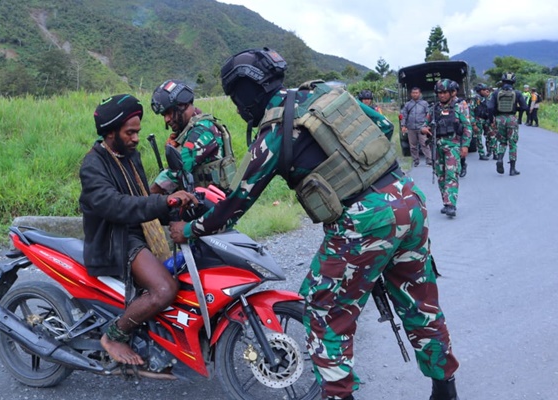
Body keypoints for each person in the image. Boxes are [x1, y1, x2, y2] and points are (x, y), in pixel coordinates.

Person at [169, 47, 460, 400]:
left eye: (235, 97)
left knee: (322, 311)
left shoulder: (275, 130)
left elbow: (237, 200)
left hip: (363, 220)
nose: (236, 105)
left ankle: (339, 395)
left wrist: (191, 229)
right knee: (419, 303)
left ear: (247, 91)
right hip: (407, 200)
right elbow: (382, 127)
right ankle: (445, 391)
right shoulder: (328, 94)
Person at [79, 94, 197, 365]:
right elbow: (116, 206)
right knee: (165, 289)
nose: (135, 138)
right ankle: (114, 336)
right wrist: (164, 201)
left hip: (138, 231)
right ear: (110, 133)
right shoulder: (93, 166)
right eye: (129, 132)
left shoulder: (131, 156)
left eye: (137, 132)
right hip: (115, 239)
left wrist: (183, 209)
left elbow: (143, 198)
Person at [149, 79, 236, 194]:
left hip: (214, 206)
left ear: (182, 105)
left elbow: (177, 172)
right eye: (164, 115)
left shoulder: (202, 131)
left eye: (169, 112)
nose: (167, 119)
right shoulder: (189, 129)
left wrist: (146, 199)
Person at [420, 79, 472, 218]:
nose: (442, 95)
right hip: (437, 145)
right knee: (440, 175)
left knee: (451, 173)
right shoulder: (433, 108)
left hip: (453, 144)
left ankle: (451, 204)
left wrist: (465, 146)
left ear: (451, 93)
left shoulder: (459, 107)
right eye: (439, 93)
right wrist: (424, 129)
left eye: (444, 92)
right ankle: (446, 201)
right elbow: (425, 124)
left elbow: (467, 126)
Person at [486, 72, 528, 176]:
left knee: (502, 142)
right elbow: (525, 107)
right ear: (514, 82)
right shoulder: (517, 93)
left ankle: (500, 159)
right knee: (512, 144)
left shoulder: (495, 93)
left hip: (500, 119)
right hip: (512, 119)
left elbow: (490, 108)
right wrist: (515, 108)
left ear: (502, 81)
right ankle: (512, 169)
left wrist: (492, 120)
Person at [400, 87, 433, 167]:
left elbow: (428, 115)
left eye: (416, 93)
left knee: (424, 144)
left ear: (419, 93)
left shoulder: (424, 104)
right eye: (413, 93)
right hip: (411, 128)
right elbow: (404, 115)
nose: (415, 94)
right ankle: (415, 161)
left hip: (422, 128)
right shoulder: (408, 104)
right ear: (411, 94)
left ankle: (429, 160)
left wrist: (427, 125)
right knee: (413, 146)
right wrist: (403, 125)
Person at [470, 83, 495, 160]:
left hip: (487, 119)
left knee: (491, 136)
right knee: (478, 137)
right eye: (483, 90)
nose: (486, 91)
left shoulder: (488, 97)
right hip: (478, 119)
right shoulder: (475, 98)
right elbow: (471, 110)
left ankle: (493, 152)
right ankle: (481, 154)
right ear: (479, 91)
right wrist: (473, 124)